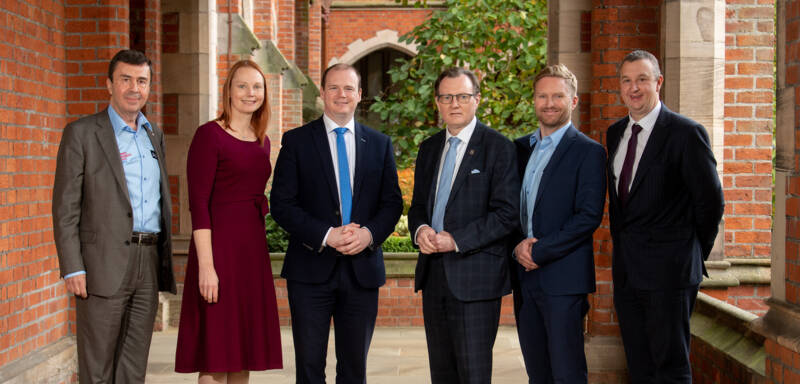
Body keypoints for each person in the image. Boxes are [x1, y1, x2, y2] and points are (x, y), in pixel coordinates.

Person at [270, 63, 403, 384]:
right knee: (310, 368)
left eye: (348, 88)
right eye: (333, 88)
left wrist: (369, 234)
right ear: (322, 94)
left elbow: (392, 203)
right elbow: (282, 204)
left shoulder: (380, 143)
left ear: (359, 94)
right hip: (310, 270)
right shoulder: (297, 141)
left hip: (362, 272)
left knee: (354, 370)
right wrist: (326, 235)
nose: (341, 95)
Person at [52, 49, 176, 383]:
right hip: (100, 263)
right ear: (109, 84)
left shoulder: (155, 135)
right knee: (98, 367)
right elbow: (65, 207)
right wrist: (73, 266)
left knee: (133, 367)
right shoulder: (82, 133)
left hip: (147, 261)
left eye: (142, 80)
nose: (134, 88)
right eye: (125, 79)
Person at [606, 50, 725, 382]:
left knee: (670, 369)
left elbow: (711, 203)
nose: (634, 88)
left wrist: (688, 250)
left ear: (658, 82)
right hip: (628, 272)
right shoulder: (615, 134)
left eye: (642, 79)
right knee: (639, 365)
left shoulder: (686, 133)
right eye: (627, 80)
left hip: (670, 273)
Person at [407, 67, 519, 384]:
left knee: (473, 375)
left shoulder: (498, 147)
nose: (454, 103)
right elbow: (417, 207)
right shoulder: (428, 149)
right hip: (433, 276)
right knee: (442, 373)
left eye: (462, 96)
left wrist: (455, 240)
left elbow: (507, 213)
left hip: (476, 277)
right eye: (446, 97)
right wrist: (421, 231)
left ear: (477, 100)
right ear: (437, 102)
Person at [174, 59, 282, 383]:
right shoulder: (209, 135)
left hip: (251, 253)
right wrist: (206, 267)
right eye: (242, 86)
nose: (251, 93)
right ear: (229, 92)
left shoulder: (262, 141)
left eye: (257, 86)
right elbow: (198, 206)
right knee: (216, 352)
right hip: (218, 250)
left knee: (243, 352)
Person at [512, 64, 606, 384]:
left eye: (557, 96)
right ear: (534, 100)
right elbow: (510, 209)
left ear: (573, 101)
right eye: (542, 96)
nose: (549, 103)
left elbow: (588, 216)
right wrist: (517, 247)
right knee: (537, 373)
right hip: (524, 278)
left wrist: (540, 252)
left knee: (566, 373)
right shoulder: (519, 149)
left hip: (564, 280)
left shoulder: (589, 152)